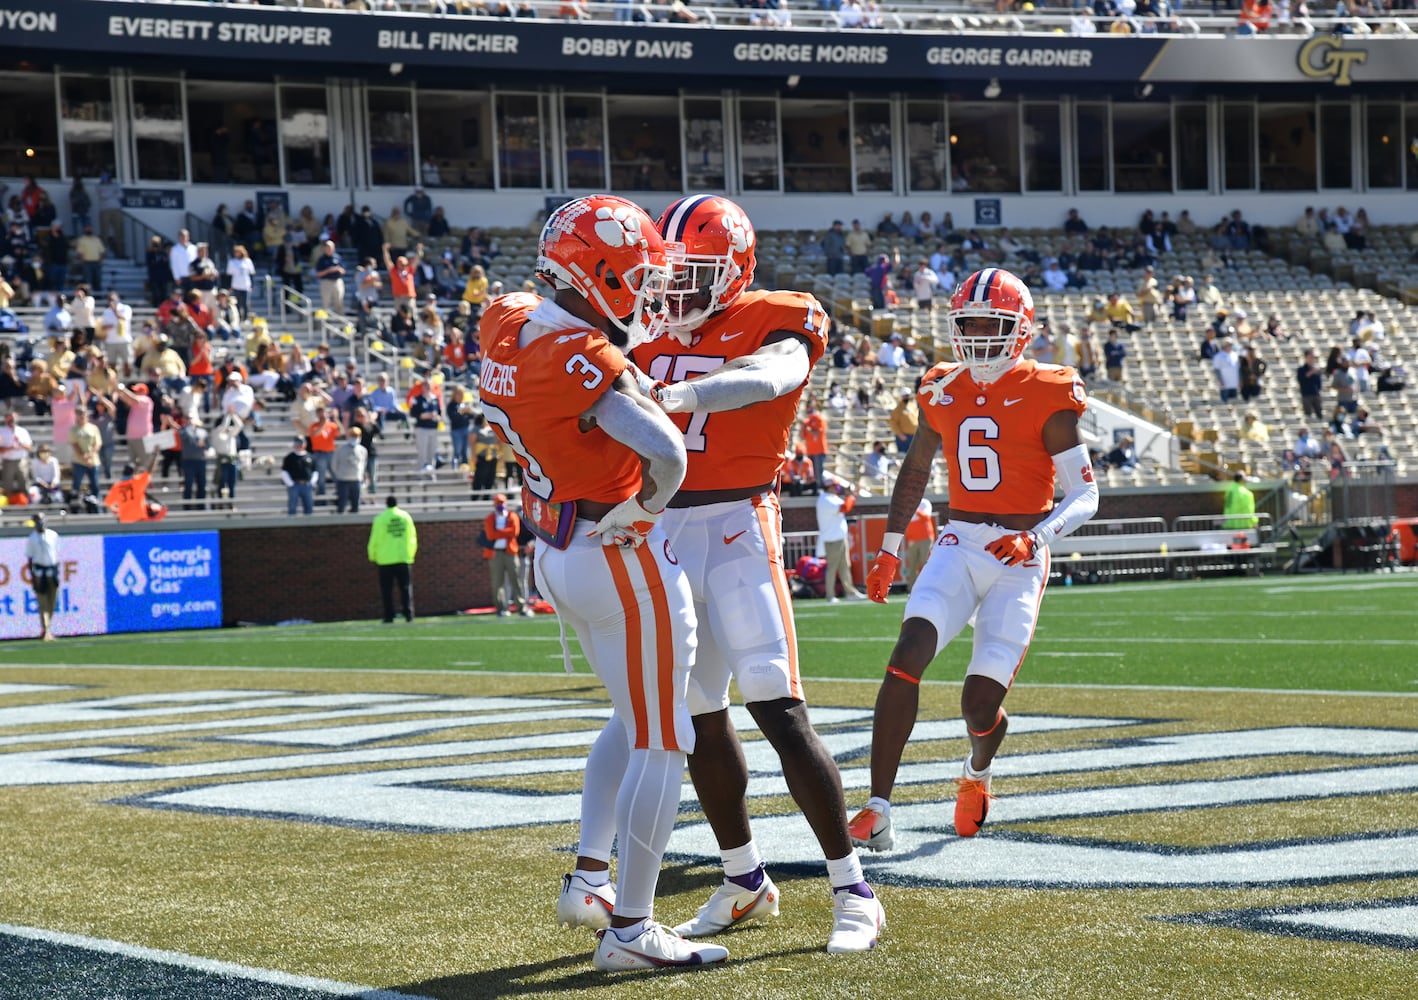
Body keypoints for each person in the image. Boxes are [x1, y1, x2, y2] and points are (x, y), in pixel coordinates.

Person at [629, 194, 883, 954]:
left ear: (736, 269)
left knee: (777, 704)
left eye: (693, 272)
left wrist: (686, 392)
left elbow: (777, 373)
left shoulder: (779, 314)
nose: (674, 289)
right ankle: (743, 879)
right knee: (697, 711)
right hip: (666, 526)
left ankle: (853, 889)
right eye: (668, 273)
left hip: (740, 525)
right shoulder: (640, 332)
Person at [480, 195, 725, 971]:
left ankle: (589, 876)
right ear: (600, 275)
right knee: (666, 737)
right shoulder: (583, 359)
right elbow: (670, 457)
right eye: (636, 274)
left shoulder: (507, 322)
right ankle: (631, 930)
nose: (647, 289)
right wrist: (644, 510)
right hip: (615, 553)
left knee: (629, 719)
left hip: (557, 546)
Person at [851, 267, 1097, 851]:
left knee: (978, 703)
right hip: (959, 542)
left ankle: (978, 771)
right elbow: (916, 471)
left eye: (995, 324)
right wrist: (890, 548)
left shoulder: (1048, 388)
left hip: (1018, 556)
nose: (982, 336)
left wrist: (1037, 537)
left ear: (1022, 329)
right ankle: (878, 806)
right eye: (971, 324)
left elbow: (1085, 493)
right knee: (906, 654)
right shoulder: (940, 386)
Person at [368, 494, 417, 623]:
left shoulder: (380, 519)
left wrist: (372, 555)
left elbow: (375, 539)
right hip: (403, 557)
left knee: (387, 590)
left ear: (387, 504)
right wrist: (411, 554)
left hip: (385, 559)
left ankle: (389, 615)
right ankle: (408, 614)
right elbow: (413, 537)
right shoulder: (405, 517)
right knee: (405, 588)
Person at [816, 477, 864, 603]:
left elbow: (845, 506)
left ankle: (850, 592)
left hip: (839, 538)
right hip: (832, 540)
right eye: (836, 487)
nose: (837, 489)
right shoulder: (825, 499)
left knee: (845, 566)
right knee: (832, 567)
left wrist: (851, 496)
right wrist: (852, 495)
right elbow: (845, 508)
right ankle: (830, 595)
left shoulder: (831, 498)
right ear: (830, 487)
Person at [482, 492, 527, 617]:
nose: (500, 505)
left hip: (510, 552)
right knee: (498, 582)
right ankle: (501, 608)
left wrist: (498, 532)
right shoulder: (490, 518)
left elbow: (515, 532)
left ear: (505, 503)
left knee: (516, 580)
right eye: (498, 503)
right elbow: (490, 535)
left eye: (502, 502)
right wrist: (505, 532)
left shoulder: (512, 516)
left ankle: (521, 607)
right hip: (495, 554)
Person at [25, 513, 61, 641]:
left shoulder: (53, 535)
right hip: (40, 571)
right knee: (43, 601)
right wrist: (32, 575)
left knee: (52, 601)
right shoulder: (32, 538)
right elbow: (29, 558)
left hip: (52, 568)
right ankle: (46, 629)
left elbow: (56, 553)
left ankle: (47, 627)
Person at [332, 424, 368, 514]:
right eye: (352, 435)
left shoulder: (363, 450)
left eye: (356, 436)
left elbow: (363, 464)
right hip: (343, 480)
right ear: (348, 436)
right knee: (342, 504)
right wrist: (340, 474)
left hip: (356, 480)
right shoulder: (341, 449)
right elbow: (334, 464)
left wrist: (361, 476)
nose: (354, 438)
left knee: (355, 505)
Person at [902, 497, 937, 591]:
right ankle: (912, 588)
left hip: (925, 538)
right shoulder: (906, 504)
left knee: (925, 562)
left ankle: (930, 586)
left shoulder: (925, 503)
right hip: (912, 540)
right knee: (912, 565)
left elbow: (925, 517)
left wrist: (914, 508)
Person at [282, 435, 315, 515]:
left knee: (308, 507)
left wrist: (312, 482)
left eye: (301, 443)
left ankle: (309, 525)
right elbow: (284, 471)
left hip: (306, 485)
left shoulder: (310, 456)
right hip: (294, 485)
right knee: (292, 507)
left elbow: (315, 471)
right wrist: (290, 483)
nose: (299, 445)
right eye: (297, 443)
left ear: (305, 444)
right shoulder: (289, 457)